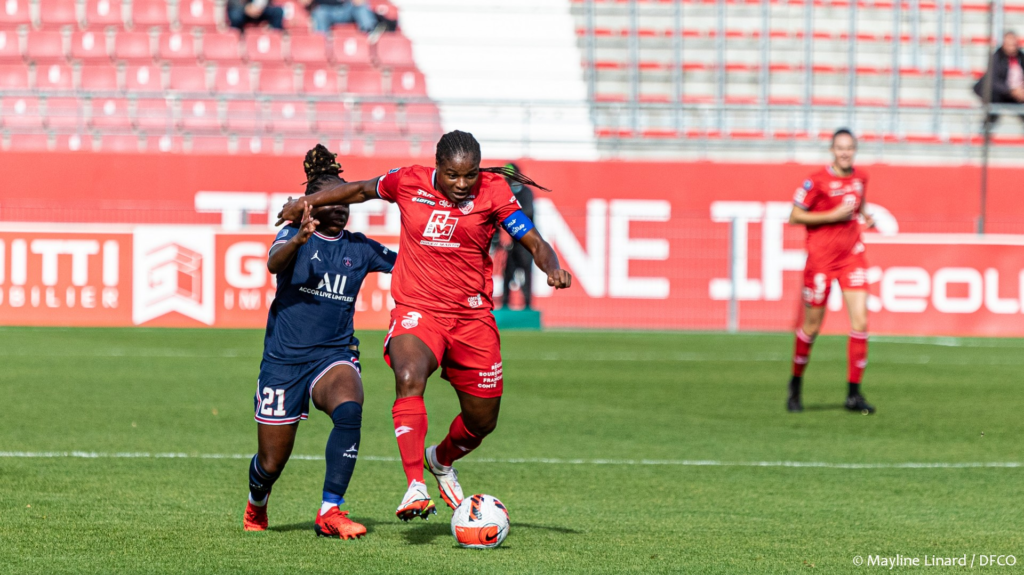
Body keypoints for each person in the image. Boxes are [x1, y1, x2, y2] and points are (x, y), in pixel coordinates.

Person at [276, 130, 572, 521]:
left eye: (470, 175)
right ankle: (415, 485)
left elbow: (532, 240)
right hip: (419, 309)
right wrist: (305, 203)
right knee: (409, 374)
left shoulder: (495, 192)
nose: (462, 184)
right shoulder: (408, 181)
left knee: (482, 422)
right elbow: (359, 190)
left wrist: (552, 267)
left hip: (472, 318)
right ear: (437, 167)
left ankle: (440, 459)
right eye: (453, 175)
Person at [243, 144, 397, 539]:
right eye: (334, 202)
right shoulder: (293, 235)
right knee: (271, 463)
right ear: (313, 206)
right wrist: (298, 240)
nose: (342, 208)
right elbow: (273, 263)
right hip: (283, 362)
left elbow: (405, 266)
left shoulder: (359, 247)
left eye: (346, 202)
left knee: (350, 408)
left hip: (333, 355)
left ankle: (331, 509)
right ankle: (257, 502)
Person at [786, 128, 876, 415]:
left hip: (852, 257)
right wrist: (831, 216)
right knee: (812, 327)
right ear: (832, 150)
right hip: (821, 262)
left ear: (855, 150)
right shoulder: (816, 181)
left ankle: (853, 394)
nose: (845, 153)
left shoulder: (861, 177)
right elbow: (794, 216)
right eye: (840, 148)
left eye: (849, 148)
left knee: (860, 322)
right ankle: (795, 384)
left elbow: (859, 203)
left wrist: (866, 216)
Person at [500, 163, 536, 310]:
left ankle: (527, 305)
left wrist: (509, 214)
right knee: (508, 272)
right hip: (511, 242)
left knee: (526, 272)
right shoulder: (505, 193)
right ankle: (505, 304)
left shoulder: (525, 192)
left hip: (525, 242)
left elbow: (528, 211)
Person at [974, 31, 1024, 127]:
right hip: (999, 93)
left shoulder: (1021, 57)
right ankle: (985, 128)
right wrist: (1012, 91)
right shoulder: (997, 57)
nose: (1012, 47)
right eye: (1009, 44)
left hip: (1015, 93)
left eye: (1014, 44)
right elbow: (993, 81)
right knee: (992, 106)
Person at [301, 0, 378, 34]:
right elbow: (304, 2)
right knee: (319, 13)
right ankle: (321, 44)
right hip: (326, 11)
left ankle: (370, 32)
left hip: (346, 9)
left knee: (361, 6)